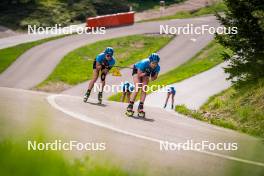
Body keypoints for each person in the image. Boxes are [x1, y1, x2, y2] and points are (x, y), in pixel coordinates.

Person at [126, 53, 161, 117]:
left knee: (144, 89)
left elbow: (153, 78)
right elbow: (139, 75)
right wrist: (146, 73)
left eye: (156, 63)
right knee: (138, 87)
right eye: (153, 63)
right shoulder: (144, 63)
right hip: (137, 70)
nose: (154, 65)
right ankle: (130, 106)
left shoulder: (157, 68)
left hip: (145, 73)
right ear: (150, 61)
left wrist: (153, 76)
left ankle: (140, 107)